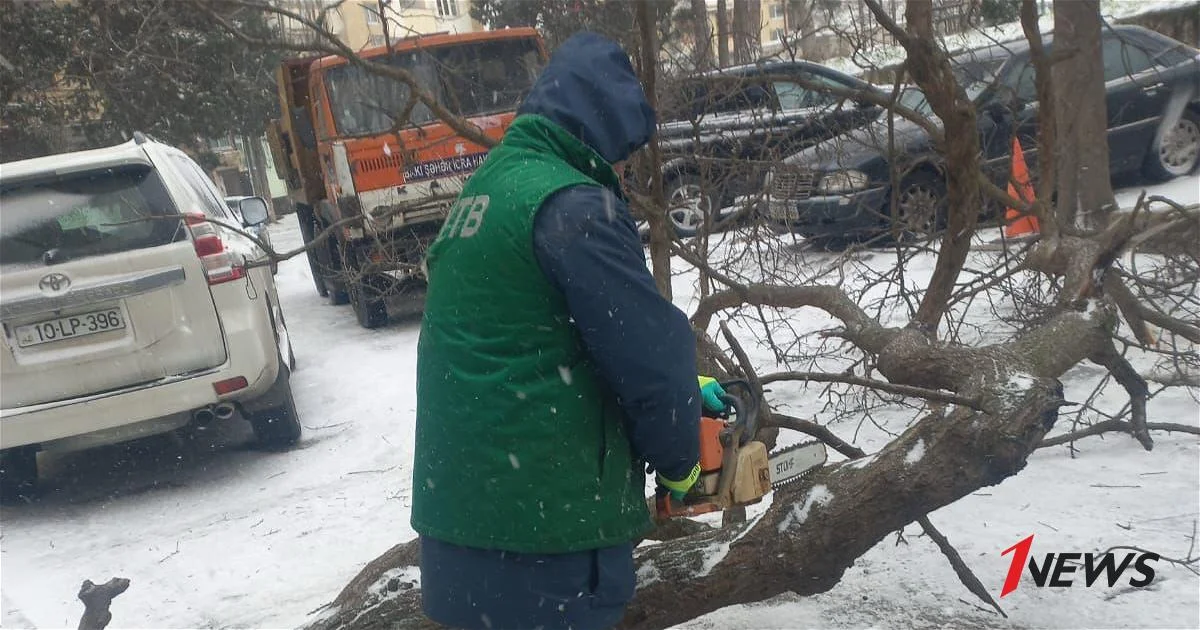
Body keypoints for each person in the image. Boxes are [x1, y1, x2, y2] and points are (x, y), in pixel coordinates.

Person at [411, 32, 726, 630]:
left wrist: (692, 383)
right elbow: (650, 359)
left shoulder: (488, 188)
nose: (625, 167)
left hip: (459, 534)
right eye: (623, 153)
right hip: (547, 539)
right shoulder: (573, 206)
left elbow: (523, 337)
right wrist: (681, 458)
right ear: (599, 131)